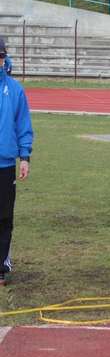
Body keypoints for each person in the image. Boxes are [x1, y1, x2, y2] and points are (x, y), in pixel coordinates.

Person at [0, 35, 33, 285]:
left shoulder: (15, 89)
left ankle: (1, 264)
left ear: (4, 59)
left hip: (5, 163)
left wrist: (25, 156)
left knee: (4, 216)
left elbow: (23, 125)